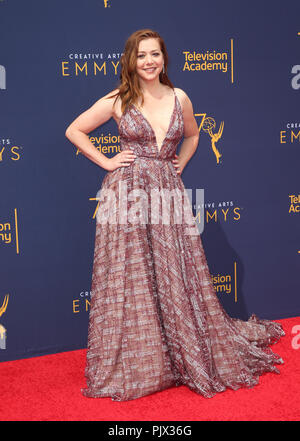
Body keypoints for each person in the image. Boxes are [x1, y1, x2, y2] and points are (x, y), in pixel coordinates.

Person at [65, 29, 285, 402]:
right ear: (130, 61)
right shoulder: (119, 99)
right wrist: (106, 161)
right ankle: (145, 360)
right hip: (127, 194)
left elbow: (194, 135)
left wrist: (176, 166)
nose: (148, 61)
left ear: (164, 58)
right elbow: (75, 130)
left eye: (155, 54)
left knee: (172, 269)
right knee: (131, 273)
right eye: (141, 55)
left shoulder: (179, 96)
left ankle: (182, 350)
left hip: (167, 192)